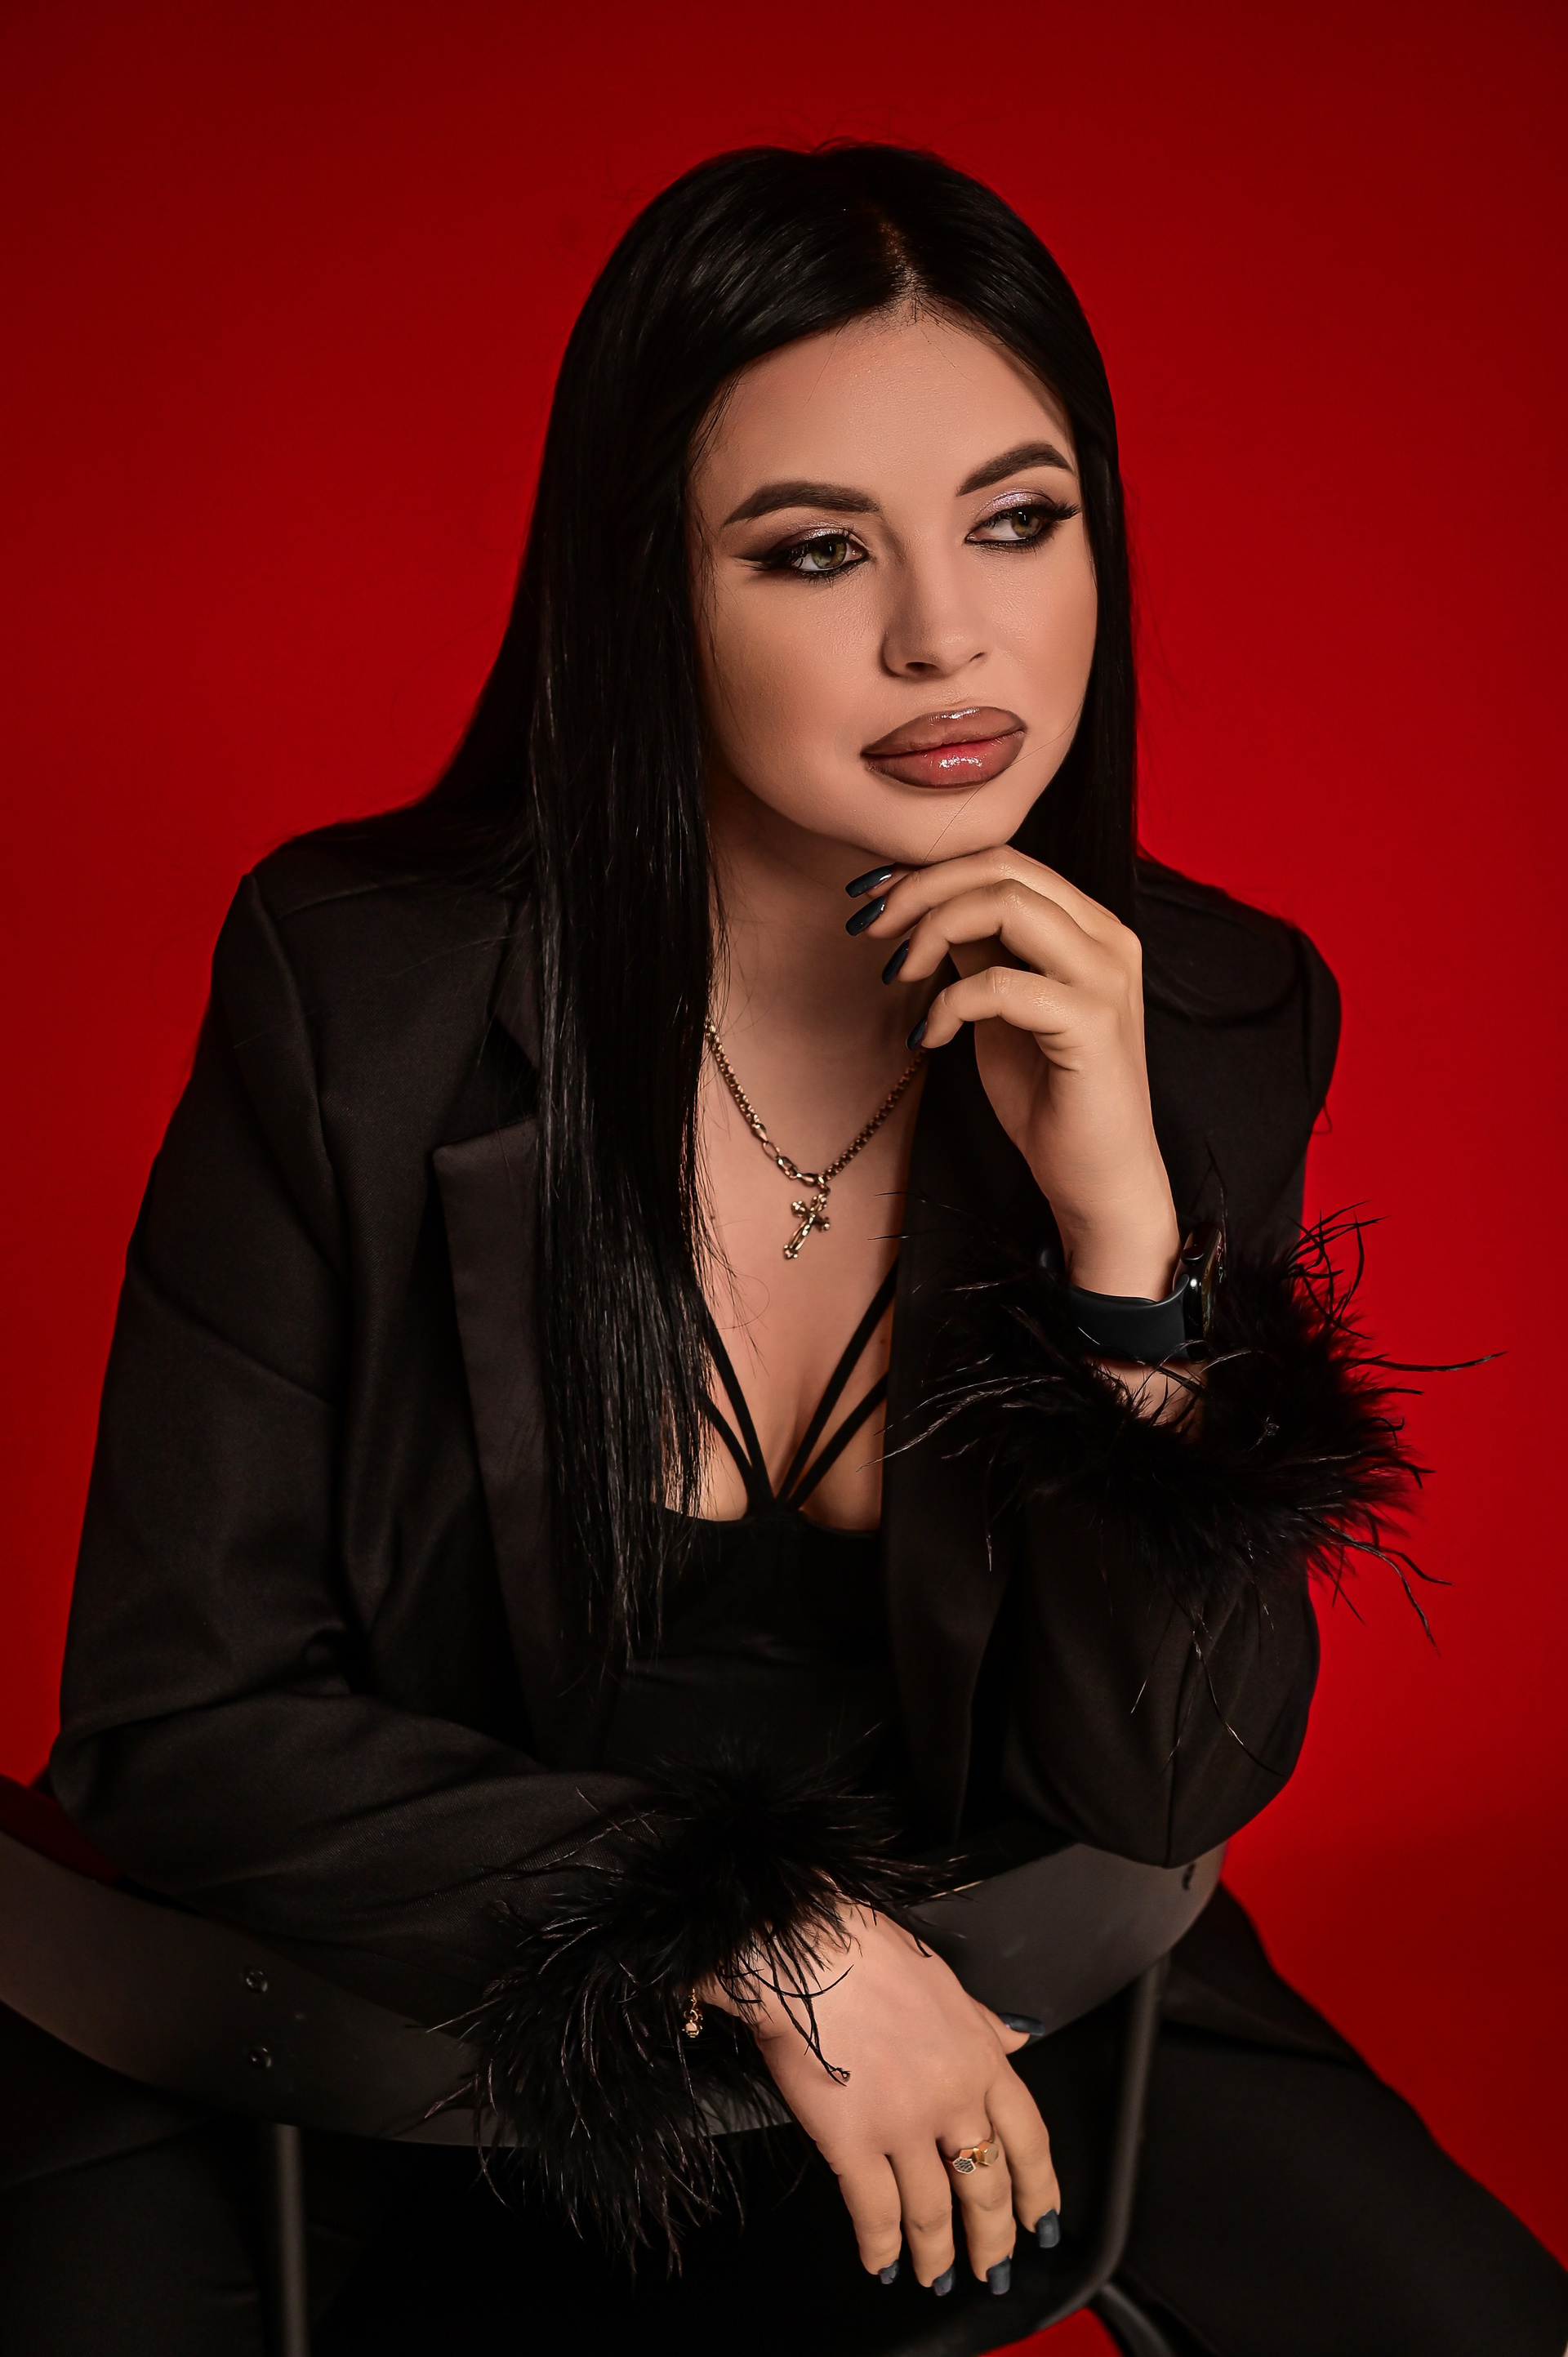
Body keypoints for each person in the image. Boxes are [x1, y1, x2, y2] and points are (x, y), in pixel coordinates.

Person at [7, 143, 1564, 2357]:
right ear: (646, 591)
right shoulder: (362, 990)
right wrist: (762, 1934)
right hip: (385, 1988)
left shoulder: (1204, 1013)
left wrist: (1123, 1246)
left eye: (1018, 521)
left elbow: (1163, 1785)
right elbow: (178, 1724)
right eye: (818, 549)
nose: (947, 635)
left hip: (997, 1961)